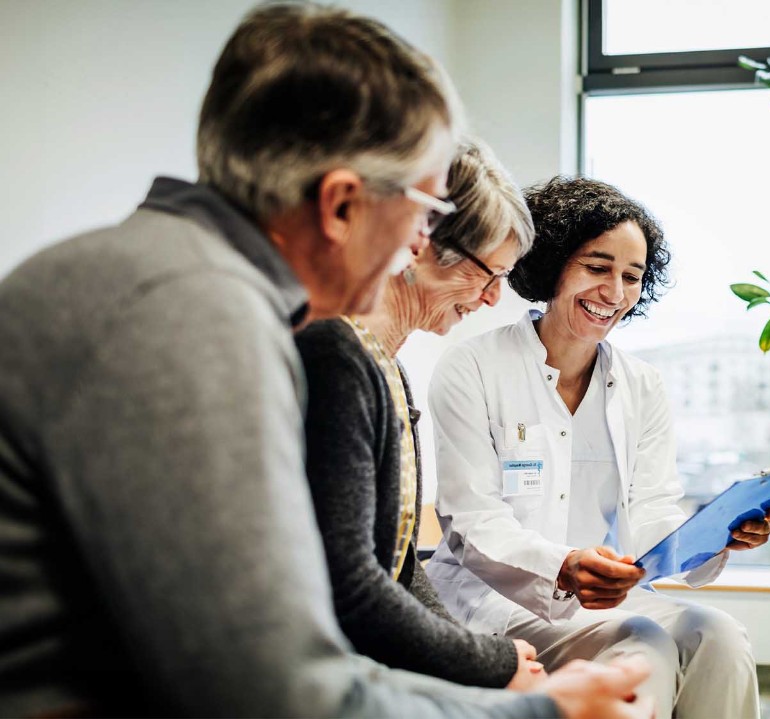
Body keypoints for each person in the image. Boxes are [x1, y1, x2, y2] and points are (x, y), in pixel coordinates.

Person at [0, 5, 649, 718]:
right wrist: (545, 710)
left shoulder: (152, 274)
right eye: (425, 210)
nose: (418, 244)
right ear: (341, 205)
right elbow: (276, 690)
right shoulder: (194, 314)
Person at [427, 176, 770, 719]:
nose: (614, 293)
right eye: (597, 268)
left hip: (604, 603)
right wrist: (565, 565)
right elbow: (471, 519)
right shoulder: (473, 367)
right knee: (646, 647)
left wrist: (717, 537)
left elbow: (652, 514)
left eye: (632, 276)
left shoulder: (643, 385)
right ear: (551, 265)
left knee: (720, 634)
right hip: (490, 601)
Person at [297, 140, 546, 691]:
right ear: (420, 243)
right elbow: (352, 586)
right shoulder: (333, 356)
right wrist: (492, 665)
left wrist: (488, 657)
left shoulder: (386, 366)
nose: (491, 299)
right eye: (488, 275)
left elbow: (402, 565)